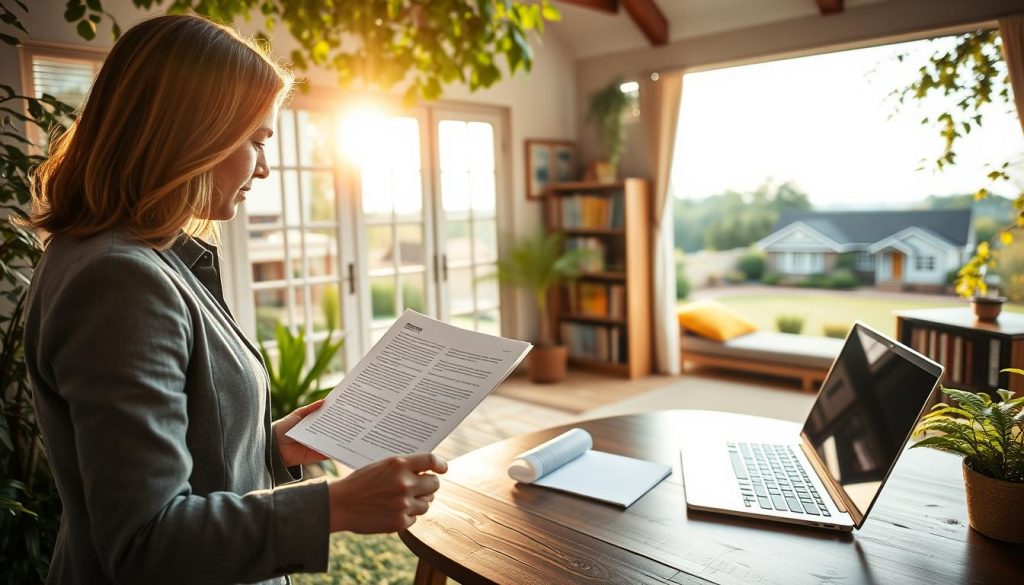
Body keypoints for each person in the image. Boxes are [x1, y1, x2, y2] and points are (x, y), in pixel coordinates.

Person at [21, 13, 446, 585]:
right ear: (189, 133)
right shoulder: (119, 281)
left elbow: (179, 454)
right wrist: (336, 506)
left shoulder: (134, 256)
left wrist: (272, 446)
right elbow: (147, 541)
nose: (265, 167)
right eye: (256, 140)